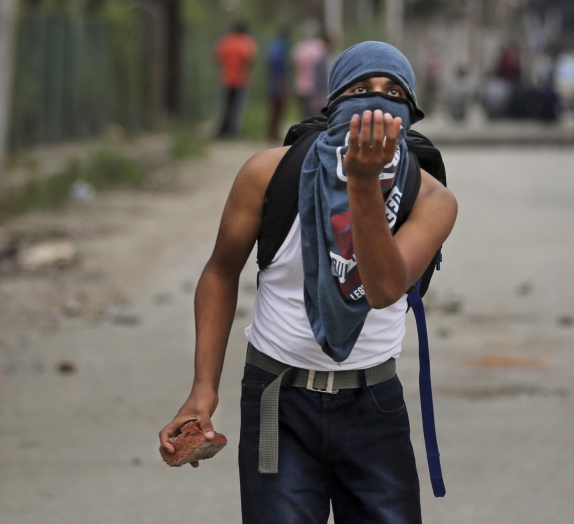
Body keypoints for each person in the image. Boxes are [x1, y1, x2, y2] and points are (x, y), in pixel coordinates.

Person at [159, 42, 458, 523]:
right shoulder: (268, 173)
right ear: (334, 104)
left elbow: (383, 289)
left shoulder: (432, 198)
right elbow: (219, 270)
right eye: (361, 89)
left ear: (409, 116)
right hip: (278, 401)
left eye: (393, 92)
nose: (376, 101)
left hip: (374, 406)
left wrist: (363, 185)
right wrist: (202, 390)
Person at [215, 22, 258, 138]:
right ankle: (233, 130)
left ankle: (223, 129)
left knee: (226, 105)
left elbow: (218, 57)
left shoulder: (226, 41)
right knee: (237, 107)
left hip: (227, 78)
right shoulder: (246, 42)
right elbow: (250, 58)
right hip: (241, 79)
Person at [291, 23, 326, 117]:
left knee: (306, 115)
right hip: (314, 87)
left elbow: (295, 66)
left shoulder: (299, 48)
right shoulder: (320, 47)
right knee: (316, 116)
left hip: (301, 87)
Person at [265, 30, 291, 142]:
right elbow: (280, 70)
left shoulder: (273, 47)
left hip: (272, 82)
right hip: (278, 84)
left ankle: (272, 132)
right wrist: (282, 85)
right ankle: (273, 134)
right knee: (277, 110)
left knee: (274, 110)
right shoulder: (281, 49)